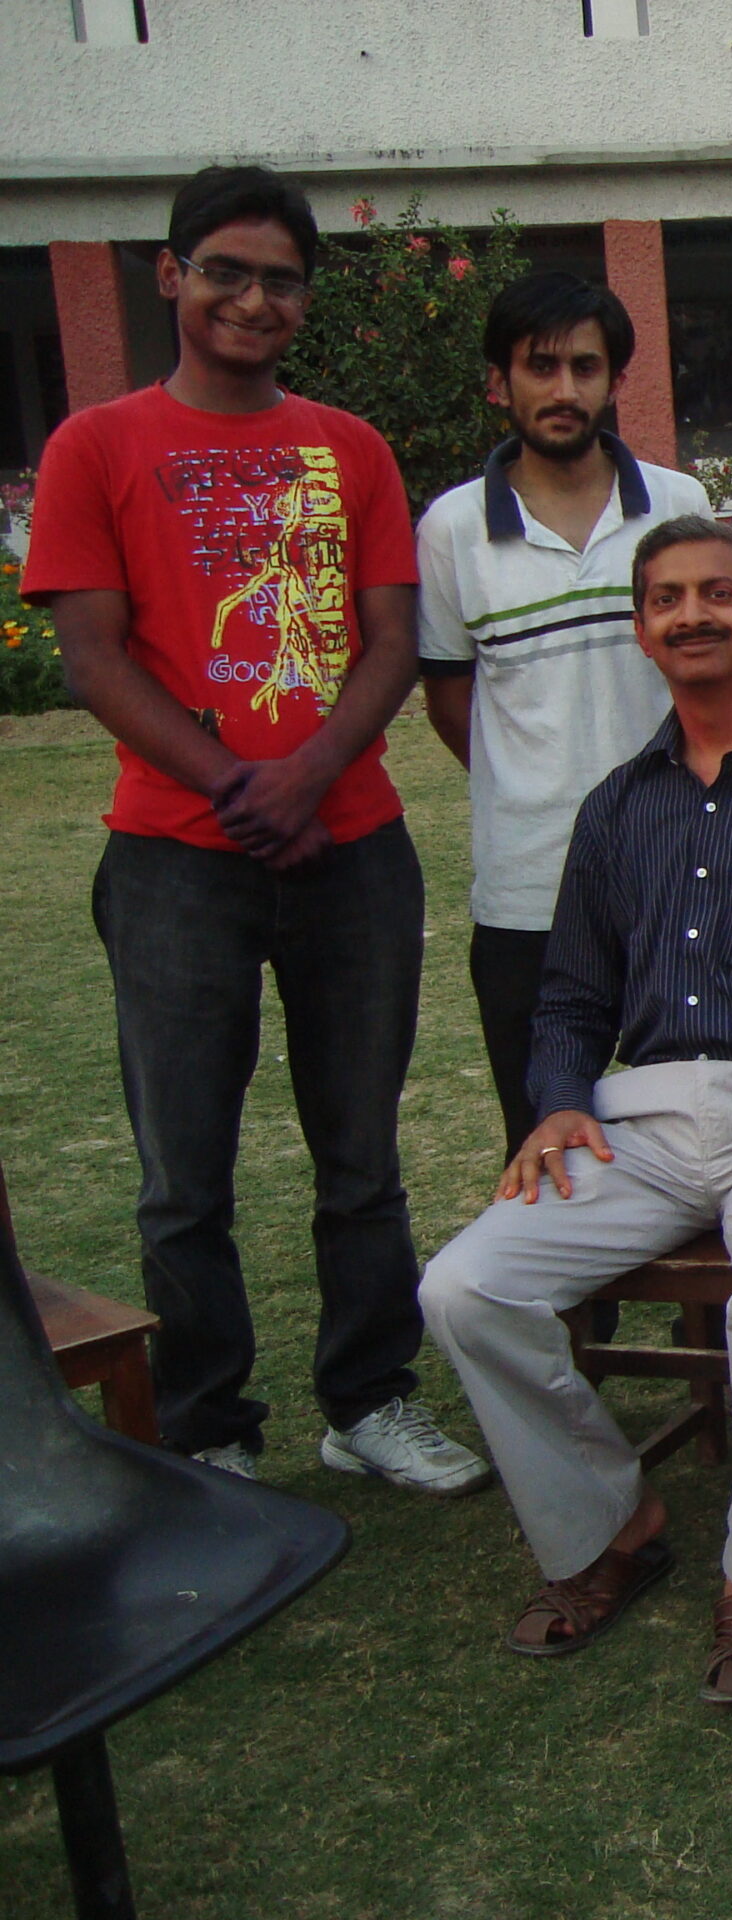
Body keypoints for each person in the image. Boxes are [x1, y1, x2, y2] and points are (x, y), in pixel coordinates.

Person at [24, 164, 486, 1494]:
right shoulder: (96, 446)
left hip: (352, 850)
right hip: (177, 860)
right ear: (170, 275)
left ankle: (369, 1399)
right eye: (225, 270)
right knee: (185, 1168)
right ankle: (209, 1425)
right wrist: (243, 785)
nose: (253, 299)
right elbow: (94, 659)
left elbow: (391, 640)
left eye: (281, 280)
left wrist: (309, 776)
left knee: (360, 1152)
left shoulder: (351, 449)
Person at [419, 518, 732, 1703]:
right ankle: (610, 1526)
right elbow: (571, 996)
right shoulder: (615, 807)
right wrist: (554, 1104)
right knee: (464, 1287)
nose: (691, 615)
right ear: (642, 633)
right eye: (665, 600)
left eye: (715, 595)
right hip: (637, 1126)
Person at [416, 271, 709, 1161]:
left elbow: (719, 676)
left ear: (614, 381)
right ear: (497, 382)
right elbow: (452, 698)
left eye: (585, 367)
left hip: (678, 874)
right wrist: (532, 784)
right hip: (526, 887)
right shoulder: (453, 530)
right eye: (539, 367)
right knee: (545, 1138)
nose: (564, 389)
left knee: (696, 1132)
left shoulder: (679, 506)